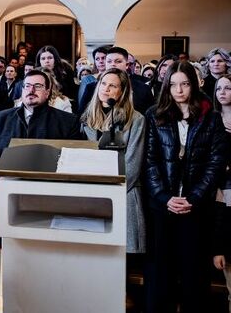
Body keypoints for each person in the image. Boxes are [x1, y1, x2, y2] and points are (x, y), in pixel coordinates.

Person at [144, 61, 226, 312]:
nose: (179, 90)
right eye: (173, 84)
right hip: (163, 206)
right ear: (166, 86)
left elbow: (215, 163)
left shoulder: (211, 118)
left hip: (197, 207)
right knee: (161, 274)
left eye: (185, 84)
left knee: (194, 275)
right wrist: (164, 197)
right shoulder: (154, 115)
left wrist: (194, 197)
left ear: (195, 84)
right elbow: (150, 161)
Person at [0, 69, 82, 244]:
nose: (31, 90)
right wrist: (1, 172)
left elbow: (72, 157)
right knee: (9, 242)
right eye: (27, 86)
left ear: (48, 91)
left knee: (43, 243)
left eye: (38, 86)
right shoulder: (1, 118)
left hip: (47, 193)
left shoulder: (67, 121)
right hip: (7, 188)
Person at [80, 69, 146, 253]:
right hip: (92, 193)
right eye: (103, 83)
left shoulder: (136, 119)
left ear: (122, 91)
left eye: (112, 86)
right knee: (95, 252)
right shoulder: (86, 119)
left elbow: (133, 162)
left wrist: (111, 191)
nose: (106, 89)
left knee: (121, 253)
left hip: (124, 191)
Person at [211, 74, 231, 305]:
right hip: (221, 185)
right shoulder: (213, 120)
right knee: (223, 220)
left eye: (227, 88)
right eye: (219, 88)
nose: (222, 92)